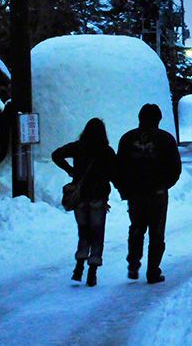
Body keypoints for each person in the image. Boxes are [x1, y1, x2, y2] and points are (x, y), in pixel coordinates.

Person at [116, 103, 182, 284]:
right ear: (159, 119)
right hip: (158, 194)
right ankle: (153, 271)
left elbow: (119, 168)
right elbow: (175, 168)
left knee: (136, 228)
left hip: (135, 194)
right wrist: (164, 185)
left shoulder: (127, 139)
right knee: (157, 233)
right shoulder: (166, 139)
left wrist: (125, 190)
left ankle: (133, 262)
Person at [51, 118, 117, 287]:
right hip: (99, 198)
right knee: (97, 234)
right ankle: (92, 272)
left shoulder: (78, 147)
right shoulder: (106, 151)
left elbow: (56, 155)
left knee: (84, 232)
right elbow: (114, 173)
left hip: (80, 198)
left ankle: (79, 267)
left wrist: (71, 171)